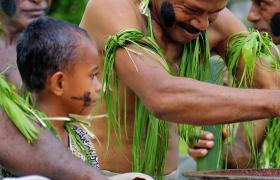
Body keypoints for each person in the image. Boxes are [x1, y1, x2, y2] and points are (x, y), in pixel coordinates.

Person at [80, 0, 280, 179]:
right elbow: (160, 94)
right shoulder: (113, 8)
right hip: (95, 174)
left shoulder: (216, 20)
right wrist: (273, 102)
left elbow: (272, 82)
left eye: (214, 12)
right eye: (191, 9)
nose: (202, 24)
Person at [0, 16, 107, 180]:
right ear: (59, 83)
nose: (99, 86)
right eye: (92, 75)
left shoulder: (80, 138)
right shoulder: (23, 140)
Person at [190, 0, 280, 169]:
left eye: (263, 4)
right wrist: (214, 143)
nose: (251, 15)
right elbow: (240, 158)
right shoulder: (267, 70)